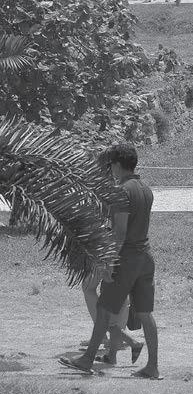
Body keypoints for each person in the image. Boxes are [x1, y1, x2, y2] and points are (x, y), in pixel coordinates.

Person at [59, 142, 160, 379]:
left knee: (104, 309)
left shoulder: (121, 191)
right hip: (145, 257)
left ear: (116, 165)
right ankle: (153, 367)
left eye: (111, 165)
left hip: (126, 259)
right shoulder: (146, 189)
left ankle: (86, 360)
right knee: (145, 314)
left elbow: (120, 232)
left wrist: (109, 261)